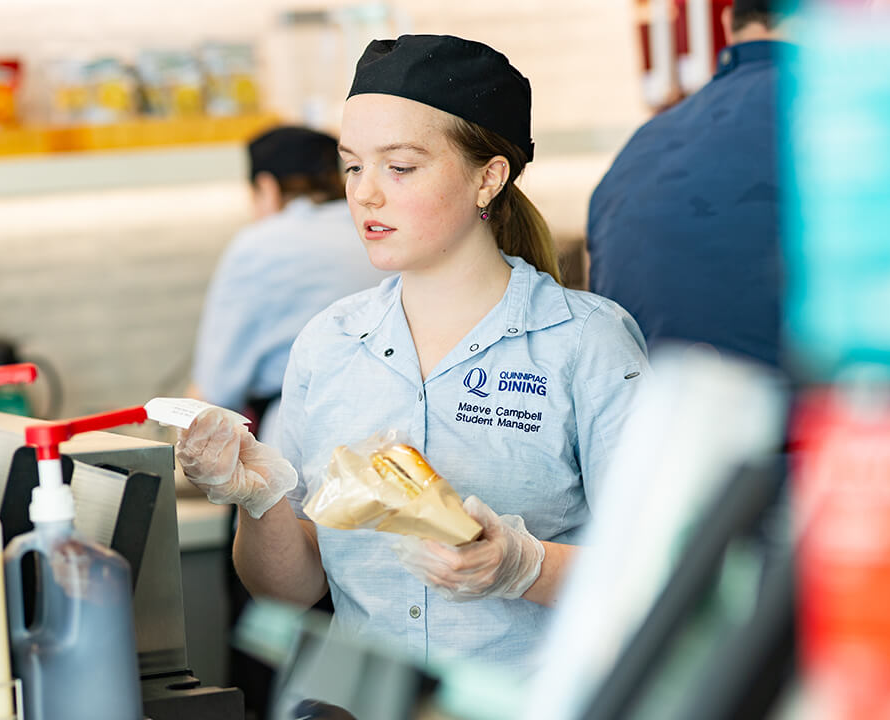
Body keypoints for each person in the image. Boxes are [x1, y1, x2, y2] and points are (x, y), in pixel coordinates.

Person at [175, 35, 649, 669]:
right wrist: (257, 499)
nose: (366, 193)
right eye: (352, 165)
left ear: (489, 177)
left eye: (399, 167)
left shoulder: (585, 341)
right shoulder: (329, 344)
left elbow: (661, 577)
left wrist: (524, 566)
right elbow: (289, 588)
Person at [587, 0, 789, 368]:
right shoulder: (852, 123)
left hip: (651, 413)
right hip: (803, 410)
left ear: (729, 23)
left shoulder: (637, 149)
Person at [190, 126, 389, 444]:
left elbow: (215, 390)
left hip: (301, 435)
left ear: (266, 187)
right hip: (395, 425)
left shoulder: (259, 244)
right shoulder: (380, 229)